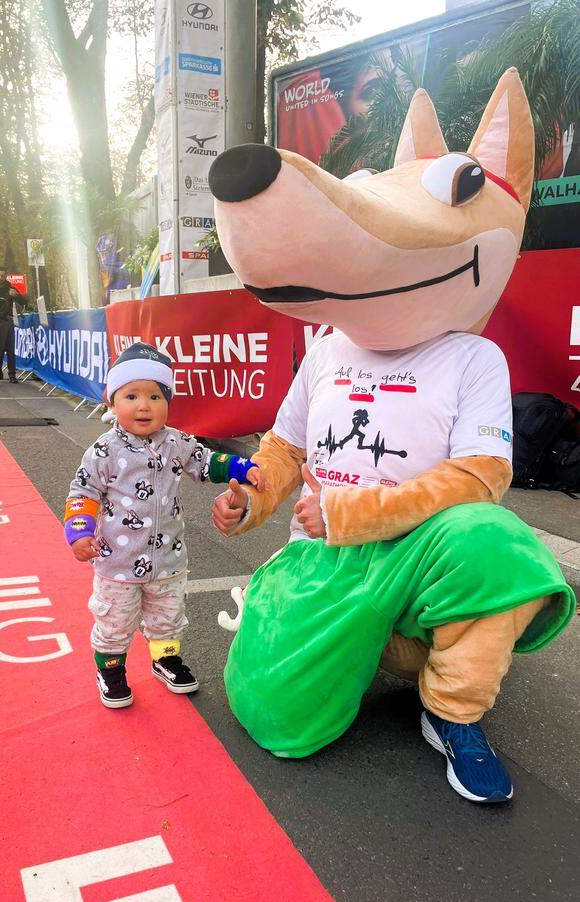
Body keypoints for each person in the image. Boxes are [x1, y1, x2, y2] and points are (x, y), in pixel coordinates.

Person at [209, 70, 575, 804]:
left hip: (416, 560)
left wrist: (356, 513)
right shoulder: (328, 345)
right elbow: (285, 448)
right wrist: (249, 498)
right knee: (278, 722)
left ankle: (452, 713)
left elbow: (479, 478)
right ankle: (349, 637)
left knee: (494, 542)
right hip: (328, 560)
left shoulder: (474, 357)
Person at [64, 343, 262, 709]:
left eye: (155, 396)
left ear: (167, 402)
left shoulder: (177, 442)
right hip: (118, 563)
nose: (144, 405)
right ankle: (110, 669)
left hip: (168, 560)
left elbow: (206, 462)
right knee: (115, 622)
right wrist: (78, 531)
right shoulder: (104, 451)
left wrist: (239, 467)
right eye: (132, 395)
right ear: (112, 402)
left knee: (168, 617)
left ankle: (165, 659)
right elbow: (83, 492)